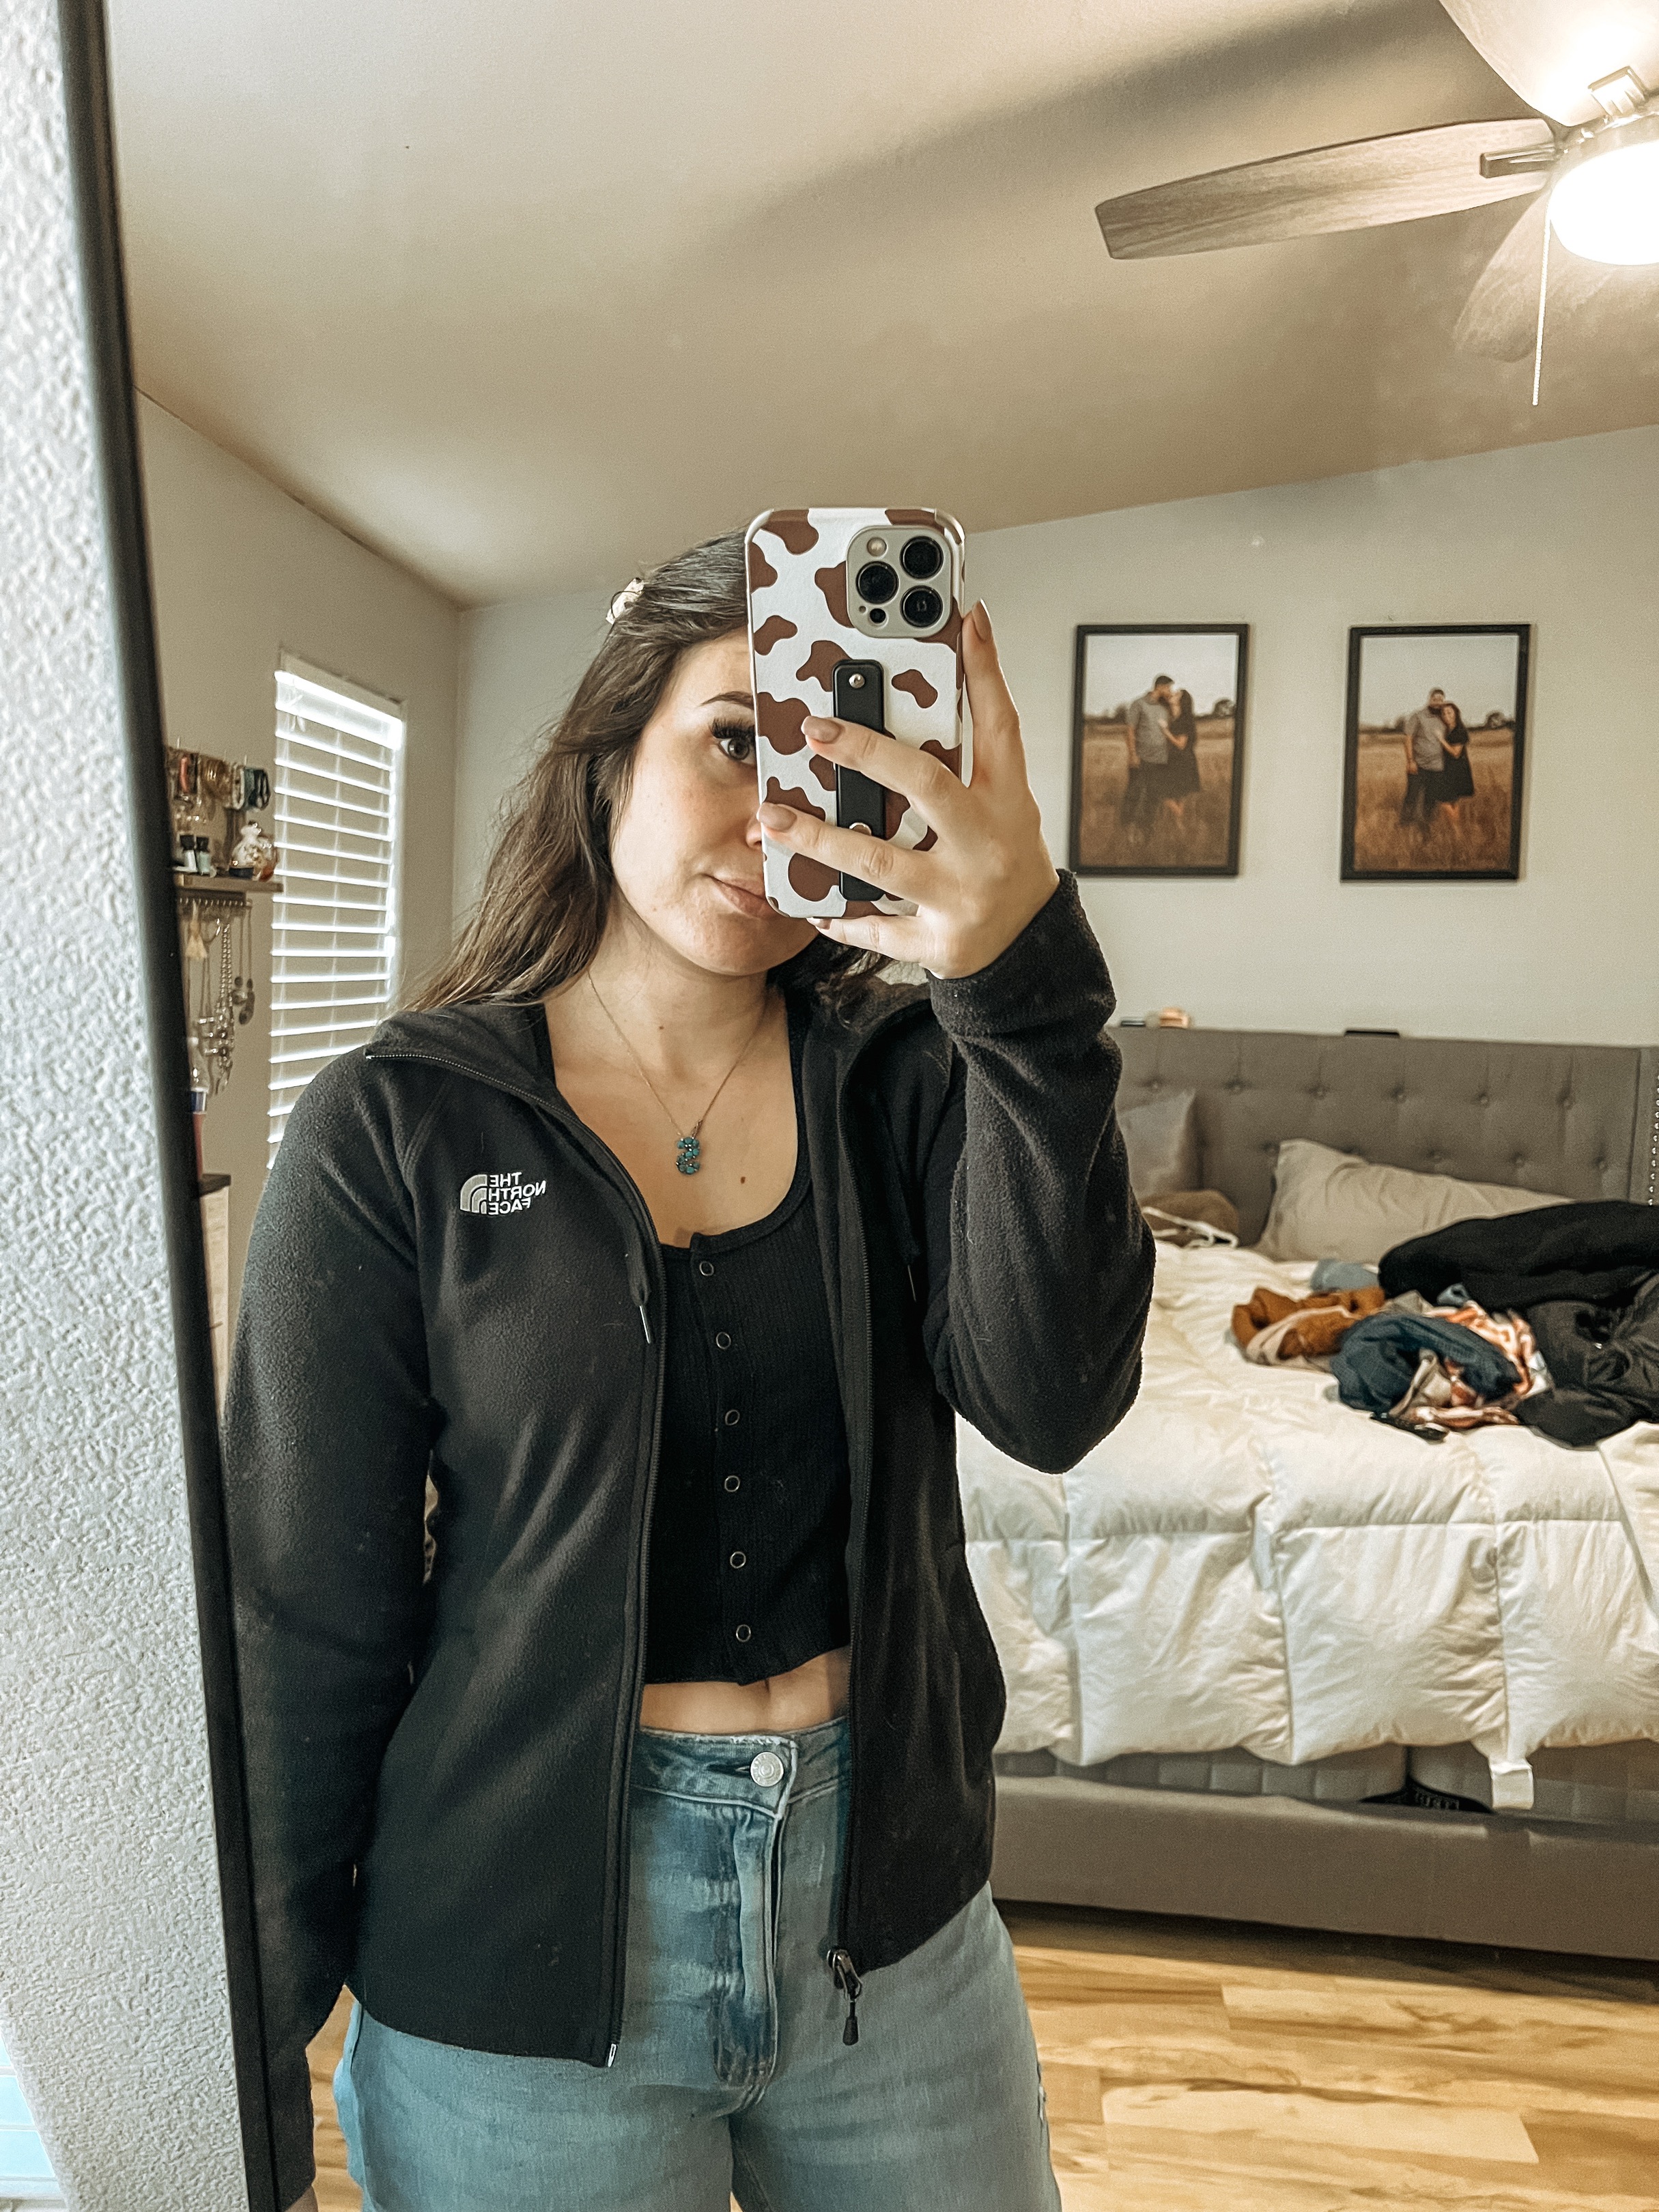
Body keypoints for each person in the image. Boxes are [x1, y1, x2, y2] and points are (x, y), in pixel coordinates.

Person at [225, 530, 1155, 2212]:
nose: (777, 814)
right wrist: (245, 2057)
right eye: (735, 738)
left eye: (832, 761)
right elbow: (302, 1613)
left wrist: (1017, 978)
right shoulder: (398, 1123)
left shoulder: (912, 1079)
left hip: (893, 1940)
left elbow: (1055, 1399)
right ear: (610, 750)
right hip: (516, 1967)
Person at [1120, 674, 1172, 842]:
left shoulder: (1165, 708)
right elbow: (1130, 730)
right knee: (1134, 794)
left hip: (1161, 760)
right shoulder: (1139, 704)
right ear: (1160, 687)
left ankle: (1146, 830)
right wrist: (1133, 755)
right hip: (1142, 758)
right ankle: (1128, 829)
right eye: (1168, 688)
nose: (1170, 691)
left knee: (1154, 796)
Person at [1398, 685, 1447, 836]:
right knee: (1412, 795)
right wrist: (1410, 761)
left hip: (1438, 766)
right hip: (1418, 765)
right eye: (1435, 699)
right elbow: (1408, 738)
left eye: (1440, 700)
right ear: (1429, 699)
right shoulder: (1418, 716)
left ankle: (1428, 824)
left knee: (1432, 797)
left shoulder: (1444, 717)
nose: (1438, 703)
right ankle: (1405, 825)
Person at [1159, 683, 1201, 825]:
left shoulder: (1183, 719)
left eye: (1177, 694)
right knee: (1179, 795)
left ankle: (1179, 818)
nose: (1172, 694)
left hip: (1181, 761)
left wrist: (1166, 732)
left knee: (1162, 792)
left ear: (1181, 701)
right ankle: (1180, 826)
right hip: (1180, 760)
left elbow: (1180, 744)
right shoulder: (1175, 717)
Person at [1436, 698, 1475, 820]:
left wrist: (1441, 740)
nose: (1446, 716)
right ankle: (1457, 828)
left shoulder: (1459, 730)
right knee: (1453, 801)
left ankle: (1455, 827)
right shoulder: (1448, 730)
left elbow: (1456, 753)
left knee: (1443, 800)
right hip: (1449, 769)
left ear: (1456, 714)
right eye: (1444, 713)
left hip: (1457, 770)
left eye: (1449, 713)